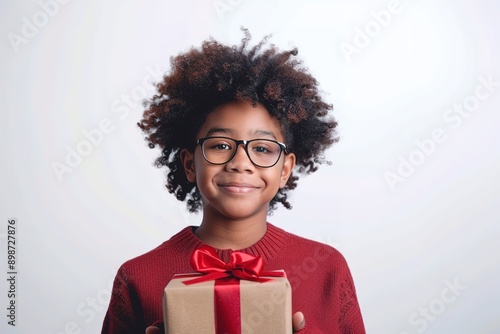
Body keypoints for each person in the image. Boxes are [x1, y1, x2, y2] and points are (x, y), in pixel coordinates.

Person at [102, 29, 365, 333]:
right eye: (221, 145)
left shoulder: (326, 268)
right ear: (189, 163)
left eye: (263, 149)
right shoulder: (137, 277)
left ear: (284, 170)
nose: (240, 163)